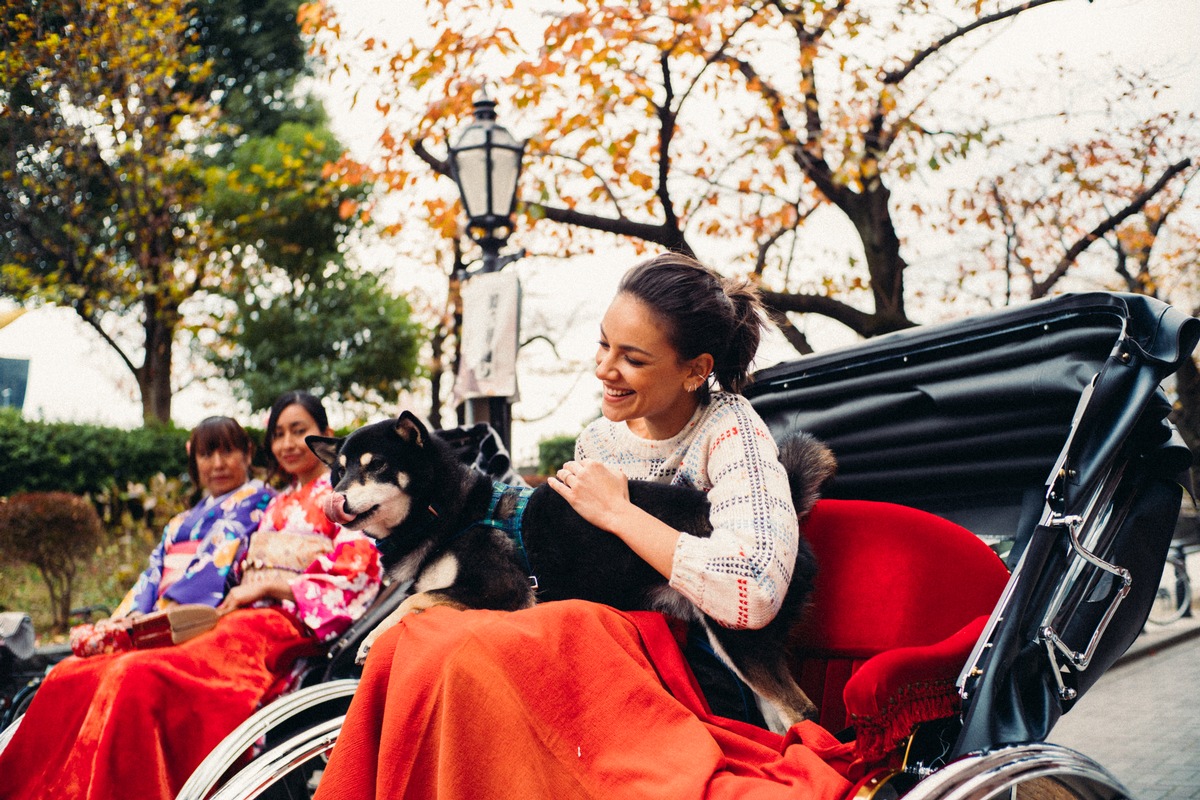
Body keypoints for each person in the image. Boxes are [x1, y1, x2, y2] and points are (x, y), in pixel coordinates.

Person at [312, 254, 854, 800]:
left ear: (695, 369)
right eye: (603, 346)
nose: (604, 370)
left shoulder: (733, 435)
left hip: (701, 656)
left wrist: (620, 513)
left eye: (633, 359)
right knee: (447, 648)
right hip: (614, 654)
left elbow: (752, 595)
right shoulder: (600, 440)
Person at [0, 397, 383, 800]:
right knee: (86, 672)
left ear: (324, 433)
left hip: (280, 622)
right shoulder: (278, 501)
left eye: (299, 429)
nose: (288, 443)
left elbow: (353, 575)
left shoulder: (338, 498)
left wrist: (268, 587)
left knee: (140, 676)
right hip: (238, 616)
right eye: (278, 433)